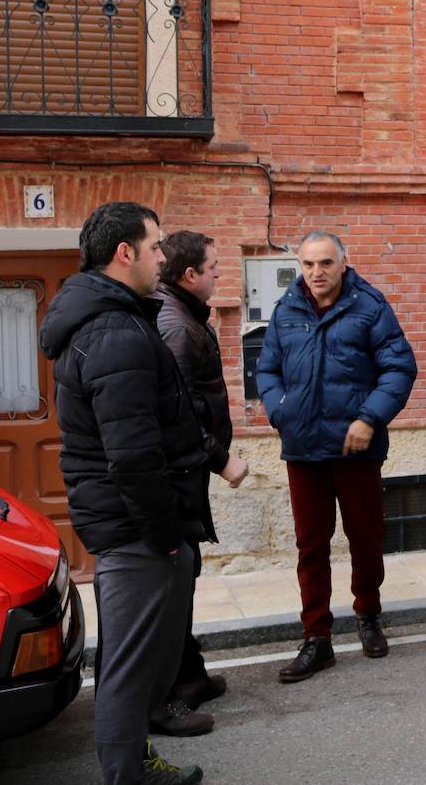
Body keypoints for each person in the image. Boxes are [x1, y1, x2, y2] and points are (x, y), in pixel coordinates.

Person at [39, 202, 244, 785]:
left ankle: (133, 763)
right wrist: (164, 536)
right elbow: (131, 455)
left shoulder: (120, 321)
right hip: (136, 528)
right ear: (124, 253)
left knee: (140, 655)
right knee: (128, 663)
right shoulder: (113, 333)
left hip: (137, 521)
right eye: (155, 247)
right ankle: (126, 774)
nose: (162, 258)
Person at [256, 230, 417, 682]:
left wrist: (369, 419)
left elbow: (400, 368)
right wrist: (278, 411)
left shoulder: (370, 305)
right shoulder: (286, 309)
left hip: (356, 450)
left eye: (325, 263)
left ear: (343, 263)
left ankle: (368, 614)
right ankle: (317, 638)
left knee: (366, 538)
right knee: (311, 546)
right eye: (308, 265)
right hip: (304, 449)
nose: (316, 273)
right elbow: (267, 368)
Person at [151, 231, 250, 735]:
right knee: (173, 583)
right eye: (213, 267)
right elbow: (184, 412)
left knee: (185, 575)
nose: (218, 275)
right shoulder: (175, 327)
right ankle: (168, 694)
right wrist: (221, 460)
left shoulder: (184, 315)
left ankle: (190, 675)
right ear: (190, 275)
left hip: (188, 471)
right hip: (180, 473)